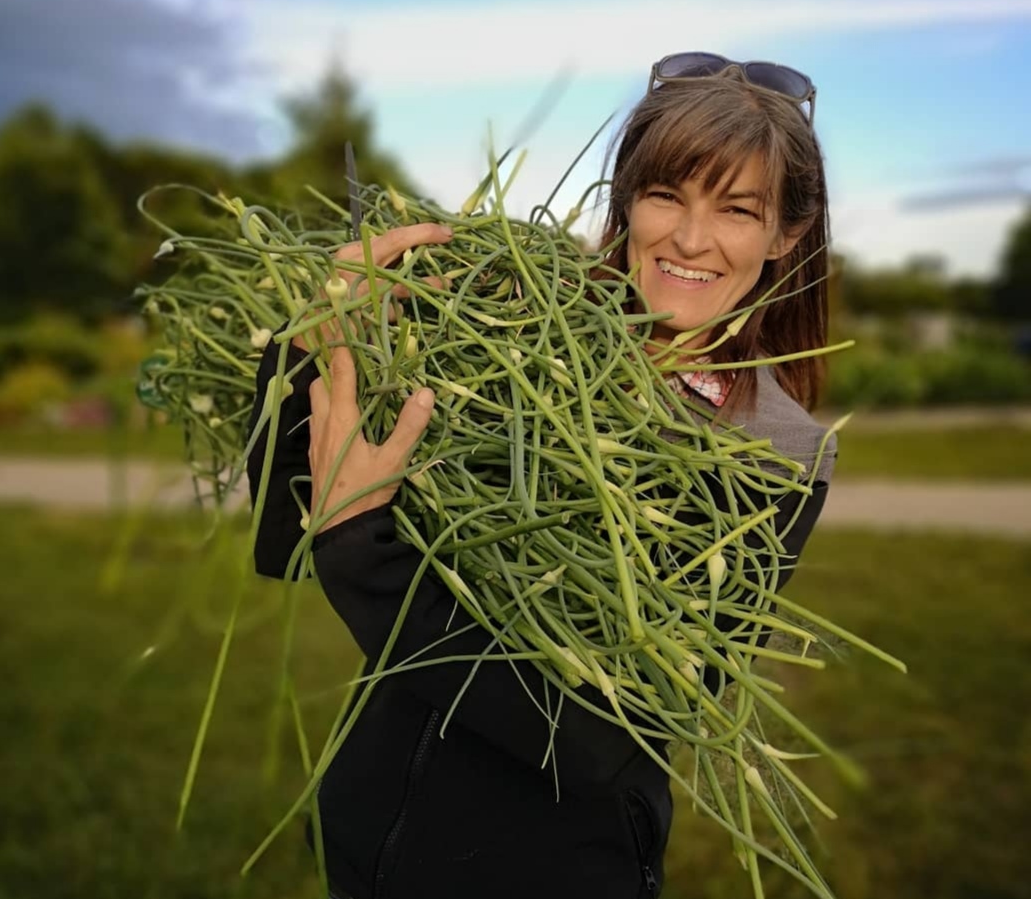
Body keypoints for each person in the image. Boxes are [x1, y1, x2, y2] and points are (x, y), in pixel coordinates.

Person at [248, 52, 836, 899]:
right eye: (666, 195)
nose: (692, 238)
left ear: (785, 235)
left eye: (737, 210)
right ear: (626, 201)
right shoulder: (515, 332)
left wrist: (363, 549)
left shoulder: (772, 456)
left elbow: (602, 736)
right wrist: (316, 350)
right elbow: (289, 536)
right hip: (369, 841)